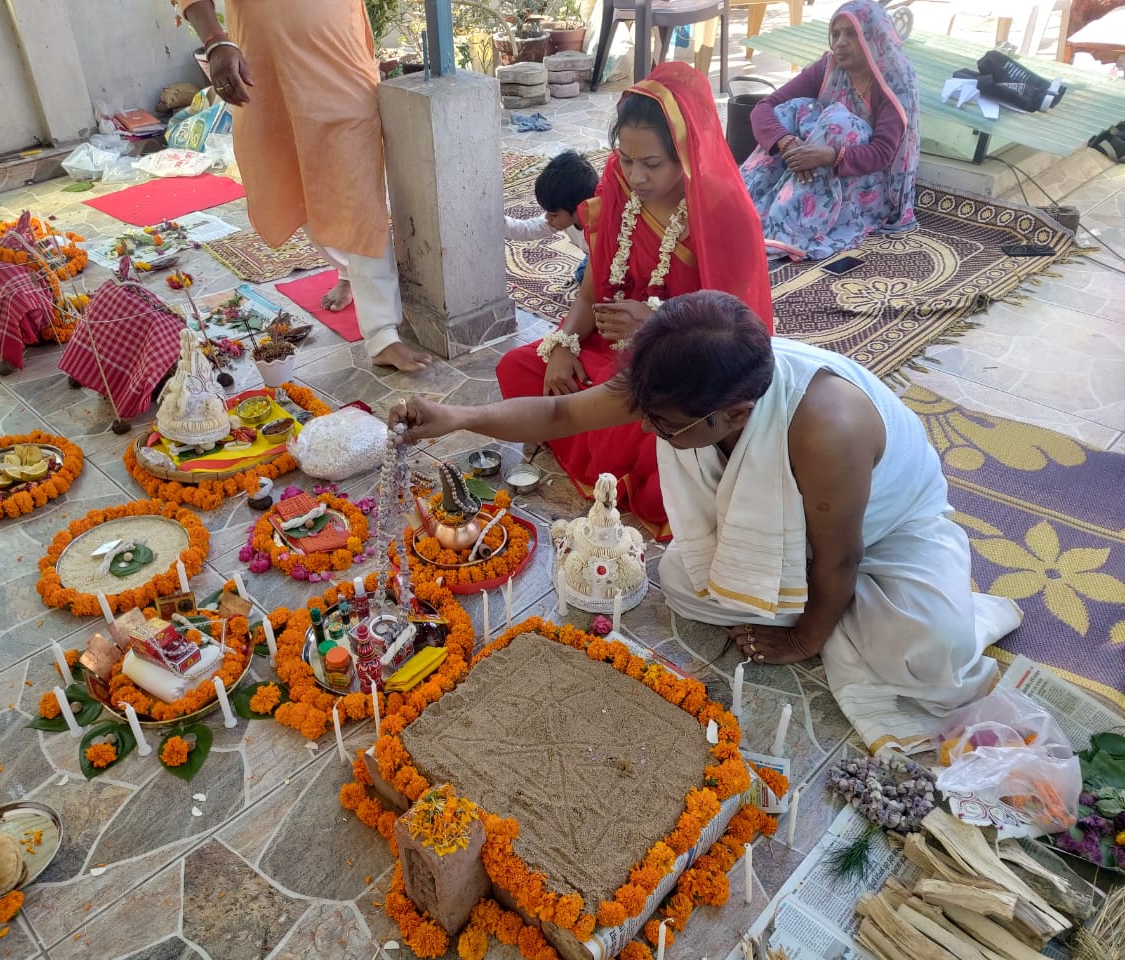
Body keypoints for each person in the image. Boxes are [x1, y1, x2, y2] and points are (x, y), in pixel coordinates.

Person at [396, 291, 1022, 750]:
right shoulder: (679, 376)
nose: (646, 429)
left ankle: (905, 612)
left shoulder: (827, 427)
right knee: (679, 583)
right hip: (812, 538)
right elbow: (562, 418)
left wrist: (803, 640)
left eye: (663, 425)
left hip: (887, 534)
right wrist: (456, 419)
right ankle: (842, 612)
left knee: (935, 653)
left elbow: (840, 558)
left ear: (736, 414)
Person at [495, 62, 773, 540]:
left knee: (643, 445)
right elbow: (593, 289)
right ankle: (601, 447)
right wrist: (561, 344)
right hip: (612, 346)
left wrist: (656, 322)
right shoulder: (619, 186)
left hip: (681, 363)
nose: (635, 176)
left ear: (684, 153)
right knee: (521, 368)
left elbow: (735, 335)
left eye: (651, 164)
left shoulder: (721, 211)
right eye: (626, 159)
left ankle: (616, 462)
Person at [179, 0, 431, 371]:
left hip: (342, 69)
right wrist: (215, 41)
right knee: (293, 192)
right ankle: (348, 271)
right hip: (266, 79)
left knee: (359, 199)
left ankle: (381, 335)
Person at [740, 0, 920, 261]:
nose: (840, 42)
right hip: (809, 165)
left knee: (841, 124)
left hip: (865, 182)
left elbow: (882, 154)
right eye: (835, 34)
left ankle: (786, 225)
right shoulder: (828, 67)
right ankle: (745, 203)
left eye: (851, 33)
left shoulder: (893, 82)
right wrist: (788, 143)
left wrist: (828, 155)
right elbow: (764, 108)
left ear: (873, 37)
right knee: (790, 112)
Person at [504, 150, 598, 283]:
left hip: (614, 257)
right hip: (594, 255)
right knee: (583, 276)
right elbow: (529, 229)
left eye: (553, 214)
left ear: (579, 210)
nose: (548, 218)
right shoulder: (563, 215)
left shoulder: (602, 225)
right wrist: (500, 223)